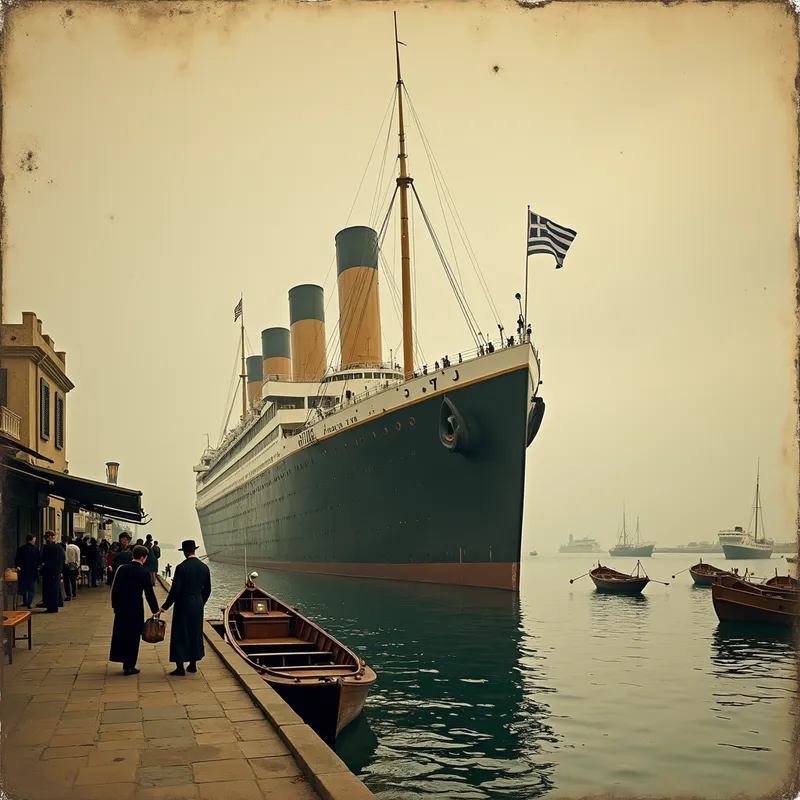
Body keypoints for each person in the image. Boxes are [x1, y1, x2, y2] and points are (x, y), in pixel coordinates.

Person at [158, 540, 211, 676]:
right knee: (195, 632)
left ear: (185, 552)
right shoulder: (204, 567)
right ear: (194, 550)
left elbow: (175, 591)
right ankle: (193, 664)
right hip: (197, 603)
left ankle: (180, 667)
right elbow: (208, 589)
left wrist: (165, 606)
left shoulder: (181, 567)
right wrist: (200, 602)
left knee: (180, 632)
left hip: (183, 603)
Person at [109, 545, 161, 676]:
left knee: (122, 633)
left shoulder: (122, 569)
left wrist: (115, 606)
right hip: (135, 607)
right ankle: (130, 665)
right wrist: (155, 610)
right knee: (133, 635)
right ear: (144, 557)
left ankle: (123, 661)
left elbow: (114, 589)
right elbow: (149, 593)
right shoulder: (144, 572)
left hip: (121, 607)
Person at [38, 530, 64, 613]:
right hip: (56, 571)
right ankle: (56, 604)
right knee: (55, 588)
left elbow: (43, 559)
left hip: (49, 571)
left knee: (49, 589)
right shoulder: (59, 547)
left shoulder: (48, 548)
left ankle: (51, 606)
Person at [14, 534, 40, 609]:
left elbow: (17, 559)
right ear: (31, 540)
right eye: (34, 539)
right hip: (33, 571)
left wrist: (18, 566)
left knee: (24, 587)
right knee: (32, 588)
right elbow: (38, 560)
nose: (35, 541)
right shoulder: (36, 549)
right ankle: (29, 602)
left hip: (24, 571)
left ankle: (25, 601)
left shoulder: (21, 549)